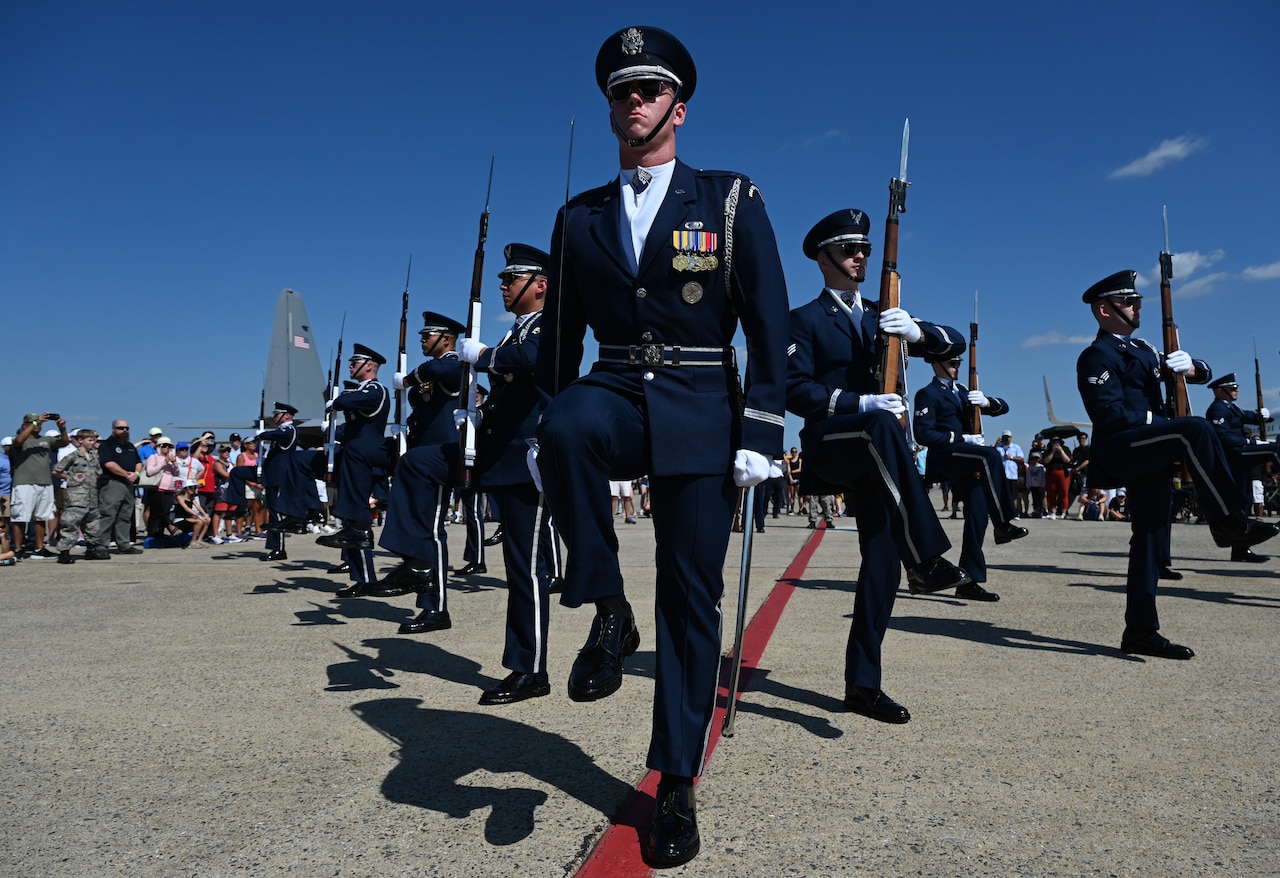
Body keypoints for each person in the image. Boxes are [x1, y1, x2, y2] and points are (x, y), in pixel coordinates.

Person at [532, 26, 788, 868]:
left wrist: (762, 426)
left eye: (647, 90)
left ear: (679, 105)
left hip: (704, 401)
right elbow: (561, 340)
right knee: (568, 423)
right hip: (615, 389)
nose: (632, 103)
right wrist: (543, 426)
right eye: (619, 91)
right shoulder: (580, 217)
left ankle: (674, 778)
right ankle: (608, 609)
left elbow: (768, 322)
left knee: (692, 597)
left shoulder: (727, 199)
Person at [788, 207, 974, 727]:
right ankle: (929, 555)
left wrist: (917, 331)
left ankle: (863, 684)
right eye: (849, 249)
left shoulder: (880, 315)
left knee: (880, 558)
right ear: (823, 259)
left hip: (881, 456)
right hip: (836, 441)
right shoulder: (801, 320)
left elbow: (953, 341)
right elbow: (793, 389)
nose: (860, 255)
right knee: (880, 426)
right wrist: (859, 402)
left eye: (865, 248)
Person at [1076, 270, 1277, 659]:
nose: (1137, 306)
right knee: (1195, 430)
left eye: (1138, 301)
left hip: (1154, 446)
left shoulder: (1145, 350)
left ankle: (1140, 629)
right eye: (1128, 301)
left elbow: (1197, 373)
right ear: (1104, 310)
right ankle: (1228, 522)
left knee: (1150, 536)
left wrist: (1193, 366)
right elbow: (1110, 414)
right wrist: (1166, 425)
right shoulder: (1095, 356)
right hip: (1123, 446)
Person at [458, 243, 566, 705]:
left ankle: (531, 669)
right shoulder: (512, 335)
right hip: (505, 462)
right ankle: (526, 661)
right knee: (519, 568)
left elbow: (533, 362)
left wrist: (482, 357)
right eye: (502, 279)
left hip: (529, 463)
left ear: (539, 284)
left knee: (528, 569)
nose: (502, 285)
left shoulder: (549, 326)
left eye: (512, 278)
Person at [365, 312, 464, 612]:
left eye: (428, 335)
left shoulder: (454, 364)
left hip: (441, 454)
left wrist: (409, 379)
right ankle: (422, 590)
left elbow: (443, 372)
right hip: (421, 455)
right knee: (426, 529)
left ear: (446, 339)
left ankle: (437, 608)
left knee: (433, 531)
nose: (422, 339)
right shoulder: (434, 370)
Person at [913, 353, 1028, 600]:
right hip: (946, 457)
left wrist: (986, 402)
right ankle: (1004, 523)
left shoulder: (964, 391)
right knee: (990, 456)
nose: (956, 367)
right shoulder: (928, 394)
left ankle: (969, 580)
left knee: (977, 515)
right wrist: (960, 439)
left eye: (958, 363)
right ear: (937, 364)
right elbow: (923, 433)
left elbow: (1004, 407)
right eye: (952, 363)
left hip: (966, 460)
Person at [317, 344, 390, 555]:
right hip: (354, 449)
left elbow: (363, 400)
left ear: (368, 366)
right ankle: (304, 511)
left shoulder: (375, 389)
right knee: (299, 461)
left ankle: (360, 527)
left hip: (367, 448)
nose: (350, 366)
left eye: (354, 363)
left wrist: (338, 402)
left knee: (353, 450)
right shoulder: (360, 391)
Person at [1205, 372, 1278, 562]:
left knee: (1244, 501)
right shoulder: (1218, 410)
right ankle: (1240, 547)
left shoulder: (1231, 407)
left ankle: (1241, 549)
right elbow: (1222, 438)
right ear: (1220, 391)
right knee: (1275, 450)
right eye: (1231, 389)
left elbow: (1247, 416)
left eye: (1236, 388)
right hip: (1233, 455)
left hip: (1240, 456)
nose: (1236, 391)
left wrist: (1264, 417)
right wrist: (1251, 443)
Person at [9, 413, 69, 558]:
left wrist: (62, 429)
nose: (38, 425)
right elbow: (18, 441)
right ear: (25, 424)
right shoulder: (19, 440)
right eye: (34, 423)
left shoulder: (45, 440)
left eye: (40, 423)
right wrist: (35, 424)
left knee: (42, 516)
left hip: (45, 482)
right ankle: (17, 549)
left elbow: (64, 442)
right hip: (24, 483)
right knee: (20, 517)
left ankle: (39, 548)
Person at [50, 429, 102, 563]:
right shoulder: (74, 456)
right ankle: (64, 552)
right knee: (70, 523)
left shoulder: (94, 456)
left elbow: (98, 472)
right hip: (77, 496)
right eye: (90, 440)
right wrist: (71, 478)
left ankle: (91, 549)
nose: (93, 443)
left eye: (94, 440)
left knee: (92, 524)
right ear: (80, 441)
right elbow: (56, 470)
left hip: (92, 496)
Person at [94, 418, 141, 556]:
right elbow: (109, 464)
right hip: (113, 483)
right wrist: (127, 474)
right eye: (121, 428)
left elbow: (138, 462)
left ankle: (124, 544)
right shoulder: (107, 445)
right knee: (107, 514)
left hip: (129, 485)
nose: (124, 430)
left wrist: (136, 473)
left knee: (125, 516)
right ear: (113, 429)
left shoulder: (130, 446)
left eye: (126, 428)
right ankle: (101, 545)